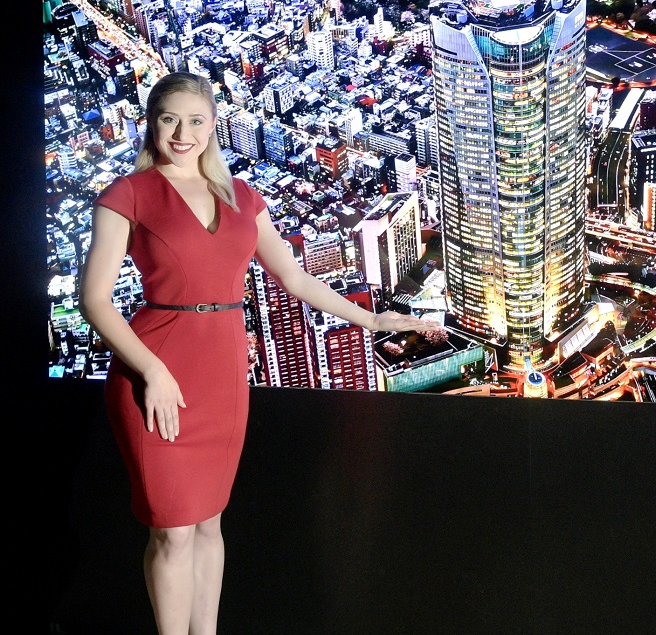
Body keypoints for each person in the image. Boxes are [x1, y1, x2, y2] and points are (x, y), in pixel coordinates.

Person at [79, 72, 446, 635]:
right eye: (169, 119)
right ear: (151, 123)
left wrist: (373, 317)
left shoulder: (243, 198)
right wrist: (152, 371)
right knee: (172, 530)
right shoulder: (127, 195)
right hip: (154, 367)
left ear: (214, 125)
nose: (183, 132)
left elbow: (295, 278)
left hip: (223, 374)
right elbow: (95, 300)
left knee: (208, 526)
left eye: (196, 120)